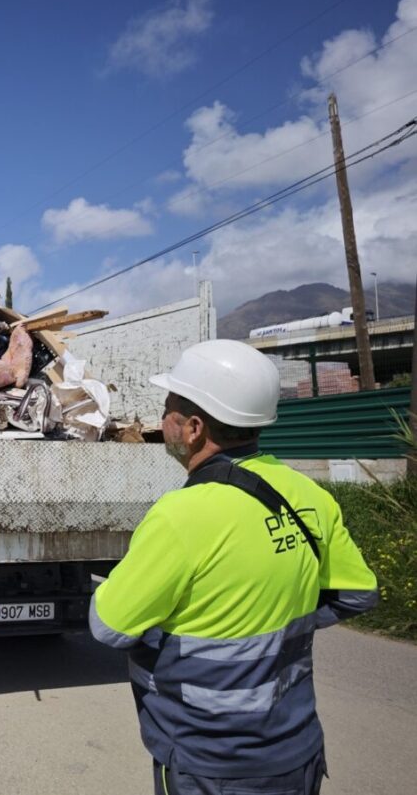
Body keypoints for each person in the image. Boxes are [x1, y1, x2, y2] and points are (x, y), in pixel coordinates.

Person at [89, 339, 378, 795]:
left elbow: (109, 626)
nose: (161, 419)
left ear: (194, 428)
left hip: (211, 764)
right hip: (298, 751)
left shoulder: (181, 515)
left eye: (168, 409)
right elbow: (357, 594)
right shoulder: (310, 496)